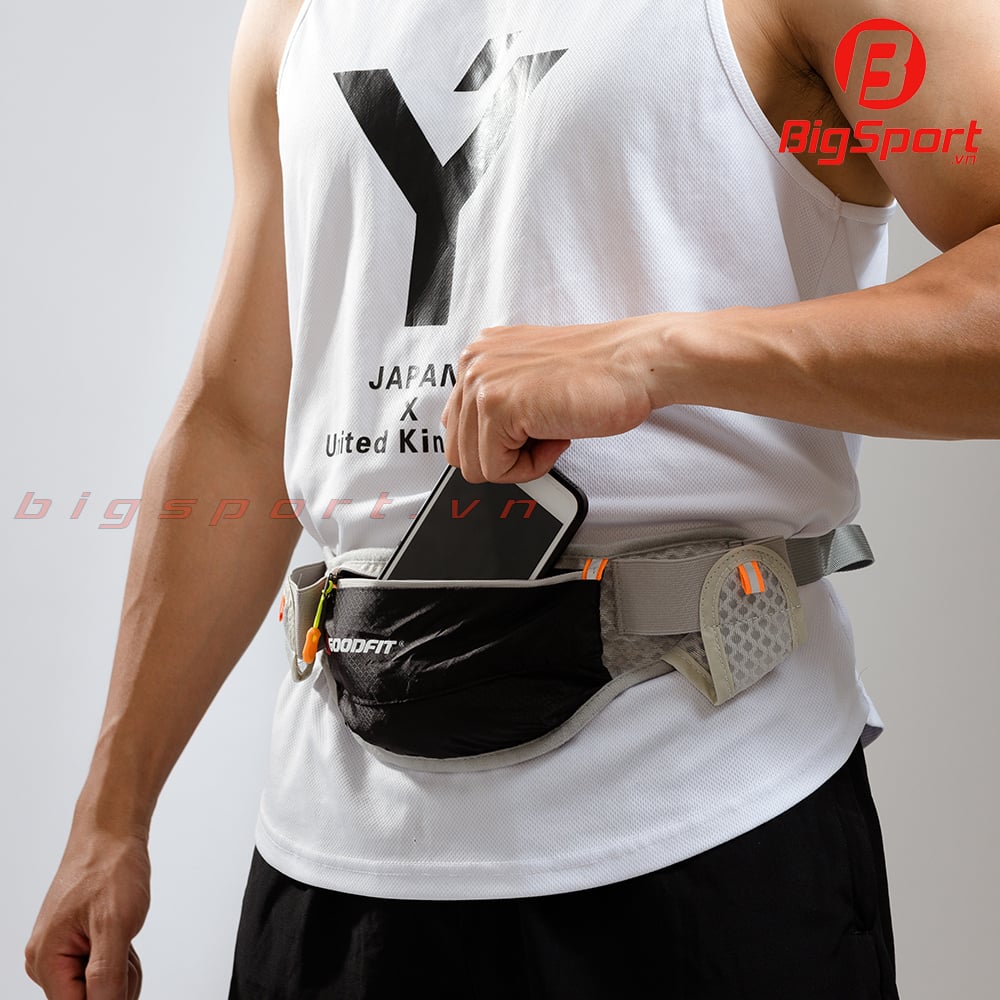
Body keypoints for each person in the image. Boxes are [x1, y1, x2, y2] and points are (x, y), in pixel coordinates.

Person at [25, 0, 999, 996]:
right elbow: (236, 420)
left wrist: (659, 354)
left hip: (706, 825)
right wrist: (111, 812)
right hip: (331, 866)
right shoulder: (292, 16)